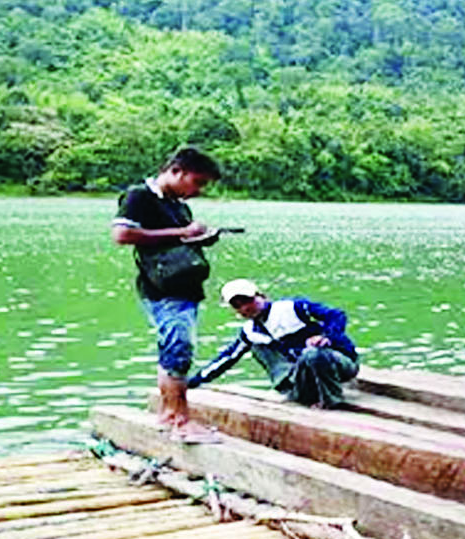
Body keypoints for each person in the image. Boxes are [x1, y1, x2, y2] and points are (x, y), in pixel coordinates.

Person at [111, 146, 224, 443]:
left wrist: (200, 237)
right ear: (176, 171)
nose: (198, 191)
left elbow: (174, 241)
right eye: (197, 182)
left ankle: (169, 415)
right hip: (162, 289)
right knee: (178, 349)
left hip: (185, 287)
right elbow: (121, 235)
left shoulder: (178, 205)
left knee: (173, 350)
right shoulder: (139, 196)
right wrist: (182, 233)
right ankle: (181, 422)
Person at [187, 279, 359, 408]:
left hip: (338, 361)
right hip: (303, 373)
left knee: (313, 354)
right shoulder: (250, 332)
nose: (245, 308)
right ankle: (292, 390)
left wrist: (326, 337)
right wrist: (193, 381)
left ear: (261, 296)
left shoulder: (293, 308)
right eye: (238, 305)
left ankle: (332, 402)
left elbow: (336, 315)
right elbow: (227, 358)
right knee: (258, 346)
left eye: (248, 301)